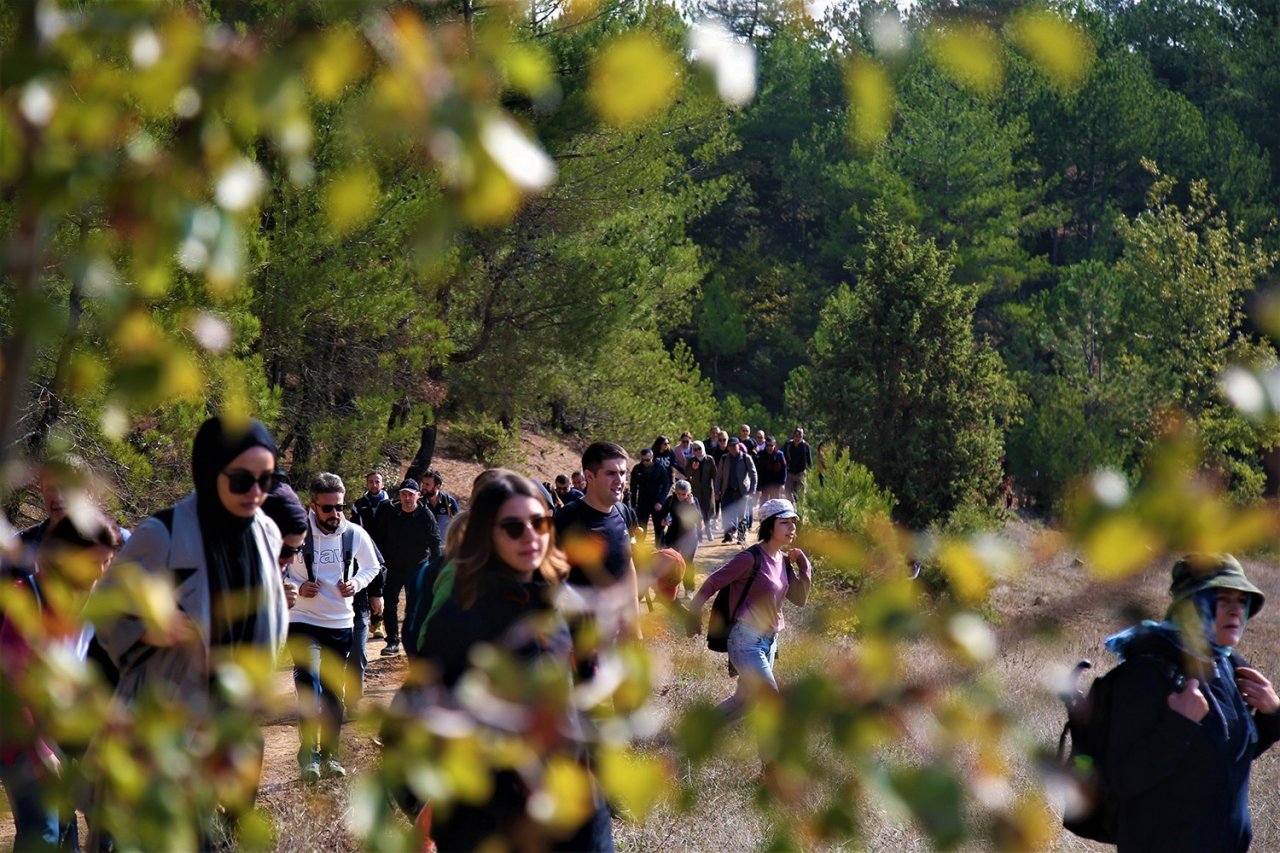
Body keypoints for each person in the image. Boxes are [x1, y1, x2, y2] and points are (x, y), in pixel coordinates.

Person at [92, 415, 291, 838]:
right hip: (162, 729)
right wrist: (148, 626)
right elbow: (104, 607)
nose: (256, 493)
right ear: (209, 470)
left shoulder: (267, 533)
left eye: (266, 480)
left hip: (230, 730)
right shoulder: (161, 534)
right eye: (241, 480)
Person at [393, 472, 614, 850]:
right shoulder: (462, 619)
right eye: (513, 527)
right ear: (487, 534)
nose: (530, 536)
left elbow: (589, 704)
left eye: (539, 522)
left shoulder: (568, 609)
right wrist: (441, 809)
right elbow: (405, 725)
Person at [1103, 554, 1279, 850]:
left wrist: (1273, 714)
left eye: (1241, 600)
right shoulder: (1146, 672)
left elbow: (1225, 759)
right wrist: (1179, 725)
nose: (1236, 611)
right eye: (1222, 598)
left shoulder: (1228, 666)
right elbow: (1121, 780)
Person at [1, 511, 121, 850]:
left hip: (75, 728)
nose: (99, 573)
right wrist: (41, 752)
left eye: (106, 562)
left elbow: (112, 676)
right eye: (91, 562)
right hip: (23, 730)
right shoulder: (29, 597)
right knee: (46, 831)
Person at [285, 473, 382, 781]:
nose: (335, 514)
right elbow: (275, 567)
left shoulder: (354, 534)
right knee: (308, 685)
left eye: (339, 507)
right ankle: (309, 755)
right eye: (327, 508)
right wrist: (296, 586)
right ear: (313, 505)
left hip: (340, 622)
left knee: (331, 693)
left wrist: (357, 583)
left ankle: (331, 755)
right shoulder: (295, 535)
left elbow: (373, 565)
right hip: (302, 621)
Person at [686, 499, 812, 721]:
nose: (792, 528)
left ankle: (695, 734)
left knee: (743, 703)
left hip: (769, 641)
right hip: (745, 640)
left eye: (794, 522)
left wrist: (804, 565)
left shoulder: (783, 562)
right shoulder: (749, 558)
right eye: (785, 522)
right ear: (769, 525)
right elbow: (713, 581)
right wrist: (693, 612)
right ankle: (771, 758)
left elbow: (799, 599)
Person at [555, 441, 642, 671]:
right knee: (592, 705)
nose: (620, 480)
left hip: (621, 633)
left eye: (623, 473)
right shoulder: (568, 519)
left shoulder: (623, 512)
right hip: (584, 639)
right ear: (589, 476)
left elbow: (629, 567)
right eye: (611, 473)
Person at [373, 478, 442, 657]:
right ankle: (393, 641)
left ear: (418, 495)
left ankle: (415, 641)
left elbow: (435, 543)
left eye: (410, 494)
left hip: (417, 568)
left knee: (415, 606)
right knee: (389, 603)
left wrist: (435, 569)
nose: (407, 498)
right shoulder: (390, 512)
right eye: (403, 494)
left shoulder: (426, 515)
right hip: (393, 567)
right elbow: (379, 537)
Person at [352, 470, 392, 639]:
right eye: (371, 482)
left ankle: (378, 622)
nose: (374, 485)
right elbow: (354, 528)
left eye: (377, 481)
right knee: (364, 583)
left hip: (385, 550)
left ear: (383, 484)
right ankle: (363, 620)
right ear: (367, 484)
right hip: (363, 550)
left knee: (381, 586)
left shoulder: (391, 504)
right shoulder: (359, 504)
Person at [659, 480, 701, 595]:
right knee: (671, 563)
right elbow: (661, 515)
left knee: (688, 564)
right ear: (675, 492)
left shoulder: (693, 501)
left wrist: (691, 504)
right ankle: (669, 590)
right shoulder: (671, 500)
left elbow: (698, 518)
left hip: (689, 537)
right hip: (673, 536)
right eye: (679, 493)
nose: (681, 496)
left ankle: (689, 589)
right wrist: (663, 521)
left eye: (684, 494)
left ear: (689, 493)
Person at [714, 437, 757, 545]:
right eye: (730, 446)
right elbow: (718, 476)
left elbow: (753, 475)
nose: (732, 448)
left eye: (734, 446)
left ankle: (741, 537)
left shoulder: (746, 458)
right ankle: (728, 534)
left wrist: (752, 490)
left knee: (742, 515)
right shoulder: (724, 459)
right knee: (727, 513)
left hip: (742, 491)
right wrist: (717, 491)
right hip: (727, 490)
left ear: (739, 445)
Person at [630, 448, 671, 547]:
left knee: (659, 528)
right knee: (641, 528)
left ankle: (660, 549)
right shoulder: (637, 469)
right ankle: (639, 550)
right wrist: (633, 505)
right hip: (643, 502)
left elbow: (666, 485)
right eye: (643, 460)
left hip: (657, 502)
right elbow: (633, 488)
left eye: (647, 460)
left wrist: (661, 501)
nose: (645, 462)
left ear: (652, 458)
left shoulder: (660, 468)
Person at [685, 440, 718, 543]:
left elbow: (715, 475)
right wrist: (693, 469)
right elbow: (687, 474)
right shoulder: (691, 460)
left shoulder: (709, 459)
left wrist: (717, 489)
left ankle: (708, 531)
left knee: (706, 512)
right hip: (696, 491)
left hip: (708, 490)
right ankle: (698, 534)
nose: (698, 451)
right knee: (697, 512)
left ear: (703, 448)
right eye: (695, 449)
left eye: (699, 448)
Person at [421, 469, 461, 544]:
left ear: (437, 486)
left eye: (427, 484)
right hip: (425, 550)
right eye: (423, 484)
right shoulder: (419, 503)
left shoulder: (449, 502)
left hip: (445, 549)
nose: (423, 487)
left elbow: (459, 525)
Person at [782, 428, 813, 503]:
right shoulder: (788, 445)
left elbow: (809, 461)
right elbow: (783, 457)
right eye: (796, 436)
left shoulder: (805, 446)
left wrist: (810, 472)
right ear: (793, 436)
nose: (797, 438)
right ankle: (791, 507)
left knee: (801, 495)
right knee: (787, 493)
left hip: (801, 473)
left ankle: (800, 510)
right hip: (790, 472)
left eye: (800, 436)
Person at [756, 435, 788, 502]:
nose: (769, 447)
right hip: (765, 484)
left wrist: (783, 483)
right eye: (767, 445)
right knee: (764, 504)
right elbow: (758, 471)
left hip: (776, 484)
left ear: (774, 444)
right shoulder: (761, 455)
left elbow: (784, 469)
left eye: (771, 445)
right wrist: (758, 487)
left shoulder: (779, 455)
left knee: (775, 503)